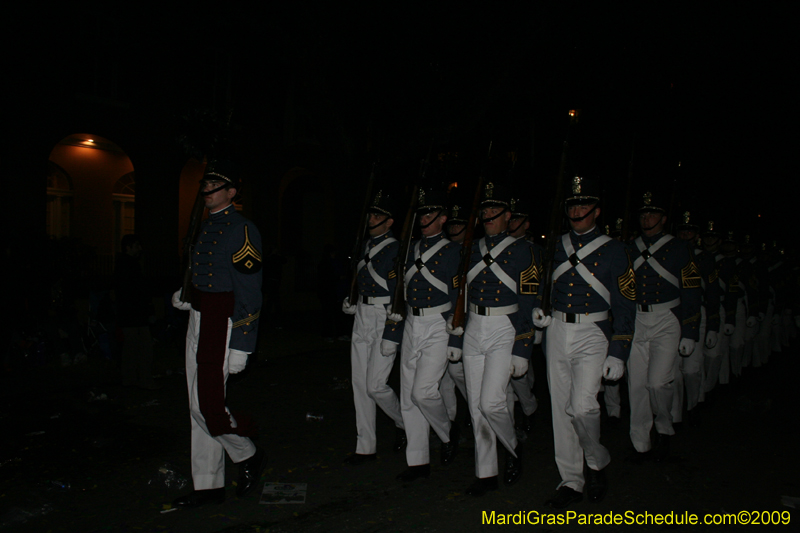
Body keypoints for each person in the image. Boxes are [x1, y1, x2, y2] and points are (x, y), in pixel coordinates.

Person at [533, 177, 635, 509]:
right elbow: (542, 285)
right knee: (561, 410)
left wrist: (619, 350)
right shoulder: (555, 244)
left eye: (583, 205)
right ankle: (571, 480)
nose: (577, 211)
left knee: (583, 407)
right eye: (572, 206)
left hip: (594, 332)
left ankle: (596, 462)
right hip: (558, 330)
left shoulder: (616, 249)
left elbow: (624, 303)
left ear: (597, 211)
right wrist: (541, 311)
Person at [170, 160, 265, 507]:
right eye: (206, 183)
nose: (207, 190)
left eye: (216, 185)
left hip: (221, 323)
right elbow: (202, 271)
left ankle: (247, 453)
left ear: (232, 192)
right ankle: (208, 485)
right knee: (196, 404)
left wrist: (243, 343)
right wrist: (188, 296)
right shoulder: (203, 225)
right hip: (199, 316)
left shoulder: (241, 229)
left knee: (206, 405)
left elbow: (250, 292)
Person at [447, 181, 538, 496]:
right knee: (475, 408)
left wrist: (523, 347)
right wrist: (456, 336)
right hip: (474, 326)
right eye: (484, 209)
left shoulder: (523, 249)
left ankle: (513, 446)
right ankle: (485, 473)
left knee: (491, 402)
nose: (487, 214)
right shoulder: (469, 249)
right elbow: (459, 293)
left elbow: (528, 301)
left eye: (493, 210)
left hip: (504, 329)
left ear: (507, 215)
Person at [386, 187, 462, 482]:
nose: (425, 218)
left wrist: (455, 337)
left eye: (431, 214)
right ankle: (417, 461)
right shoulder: (409, 248)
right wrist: (392, 330)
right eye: (422, 213)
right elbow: (398, 293)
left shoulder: (455, 252)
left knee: (423, 392)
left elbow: (458, 296)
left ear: (443, 219)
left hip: (438, 325)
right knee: (408, 396)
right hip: (411, 324)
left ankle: (447, 432)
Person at [627, 191, 701, 463]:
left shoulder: (680, 248)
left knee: (658, 383)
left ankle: (664, 427)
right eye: (644, 213)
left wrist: (690, 331)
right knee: (636, 386)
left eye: (653, 213)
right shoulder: (629, 247)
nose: (647, 218)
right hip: (637, 319)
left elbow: (692, 291)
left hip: (667, 320)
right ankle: (640, 443)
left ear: (664, 218)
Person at [341, 189, 405, 465]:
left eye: (378, 215)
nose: (371, 218)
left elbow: (397, 290)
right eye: (371, 213)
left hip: (383, 315)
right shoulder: (364, 246)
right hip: (363, 314)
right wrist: (352, 300)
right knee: (359, 385)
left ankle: (405, 422)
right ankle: (365, 446)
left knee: (376, 385)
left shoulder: (395, 249)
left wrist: (393, 321)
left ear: (390, 222)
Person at [506, 197, 543, 432]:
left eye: (518, 218)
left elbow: (538, 287)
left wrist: (534, 324)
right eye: (511, 217)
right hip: (500, 318)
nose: (513, 222)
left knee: (519, 376)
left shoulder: (533, 251)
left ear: (526, 224)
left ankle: (529, 408)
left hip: (522, 318)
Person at [114, 234, 157, 389]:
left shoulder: (126, 264)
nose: (140, 248)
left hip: (131, 314)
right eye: (136, 245)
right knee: (142, 348)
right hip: (134, 315)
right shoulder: (128, 265)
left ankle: (131, 378)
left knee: (132, 348)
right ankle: (142, 379)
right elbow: (135, 291)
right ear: (128, 247)